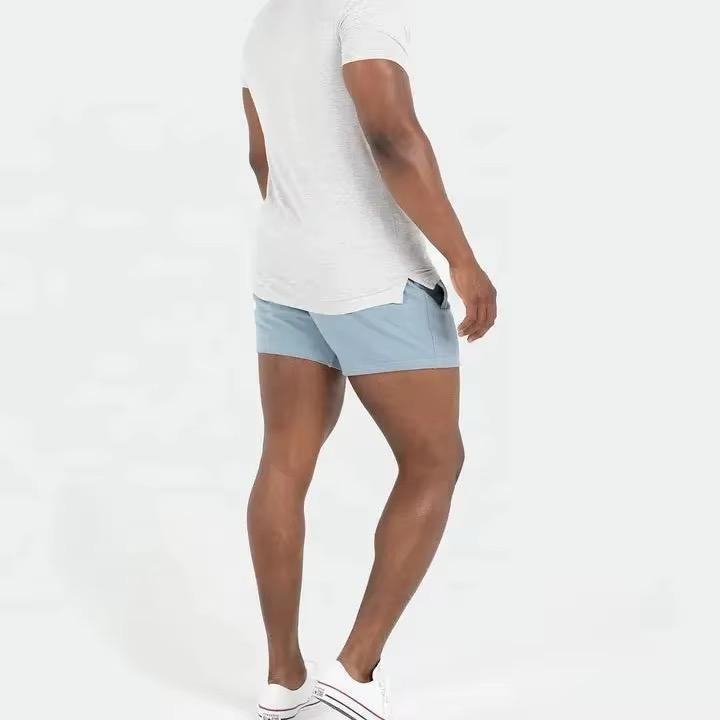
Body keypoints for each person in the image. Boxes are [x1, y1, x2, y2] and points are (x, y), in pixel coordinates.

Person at [242, 1, 497, 717]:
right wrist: (462, 259)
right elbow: (389, 133)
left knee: (283, 462)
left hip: (284, 270)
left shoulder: (271, 18)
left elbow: (262, 157)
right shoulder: (368, 8)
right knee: (435, 461)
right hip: (372, 276)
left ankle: (283, 676)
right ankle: (355, 670)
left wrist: (309, 236)